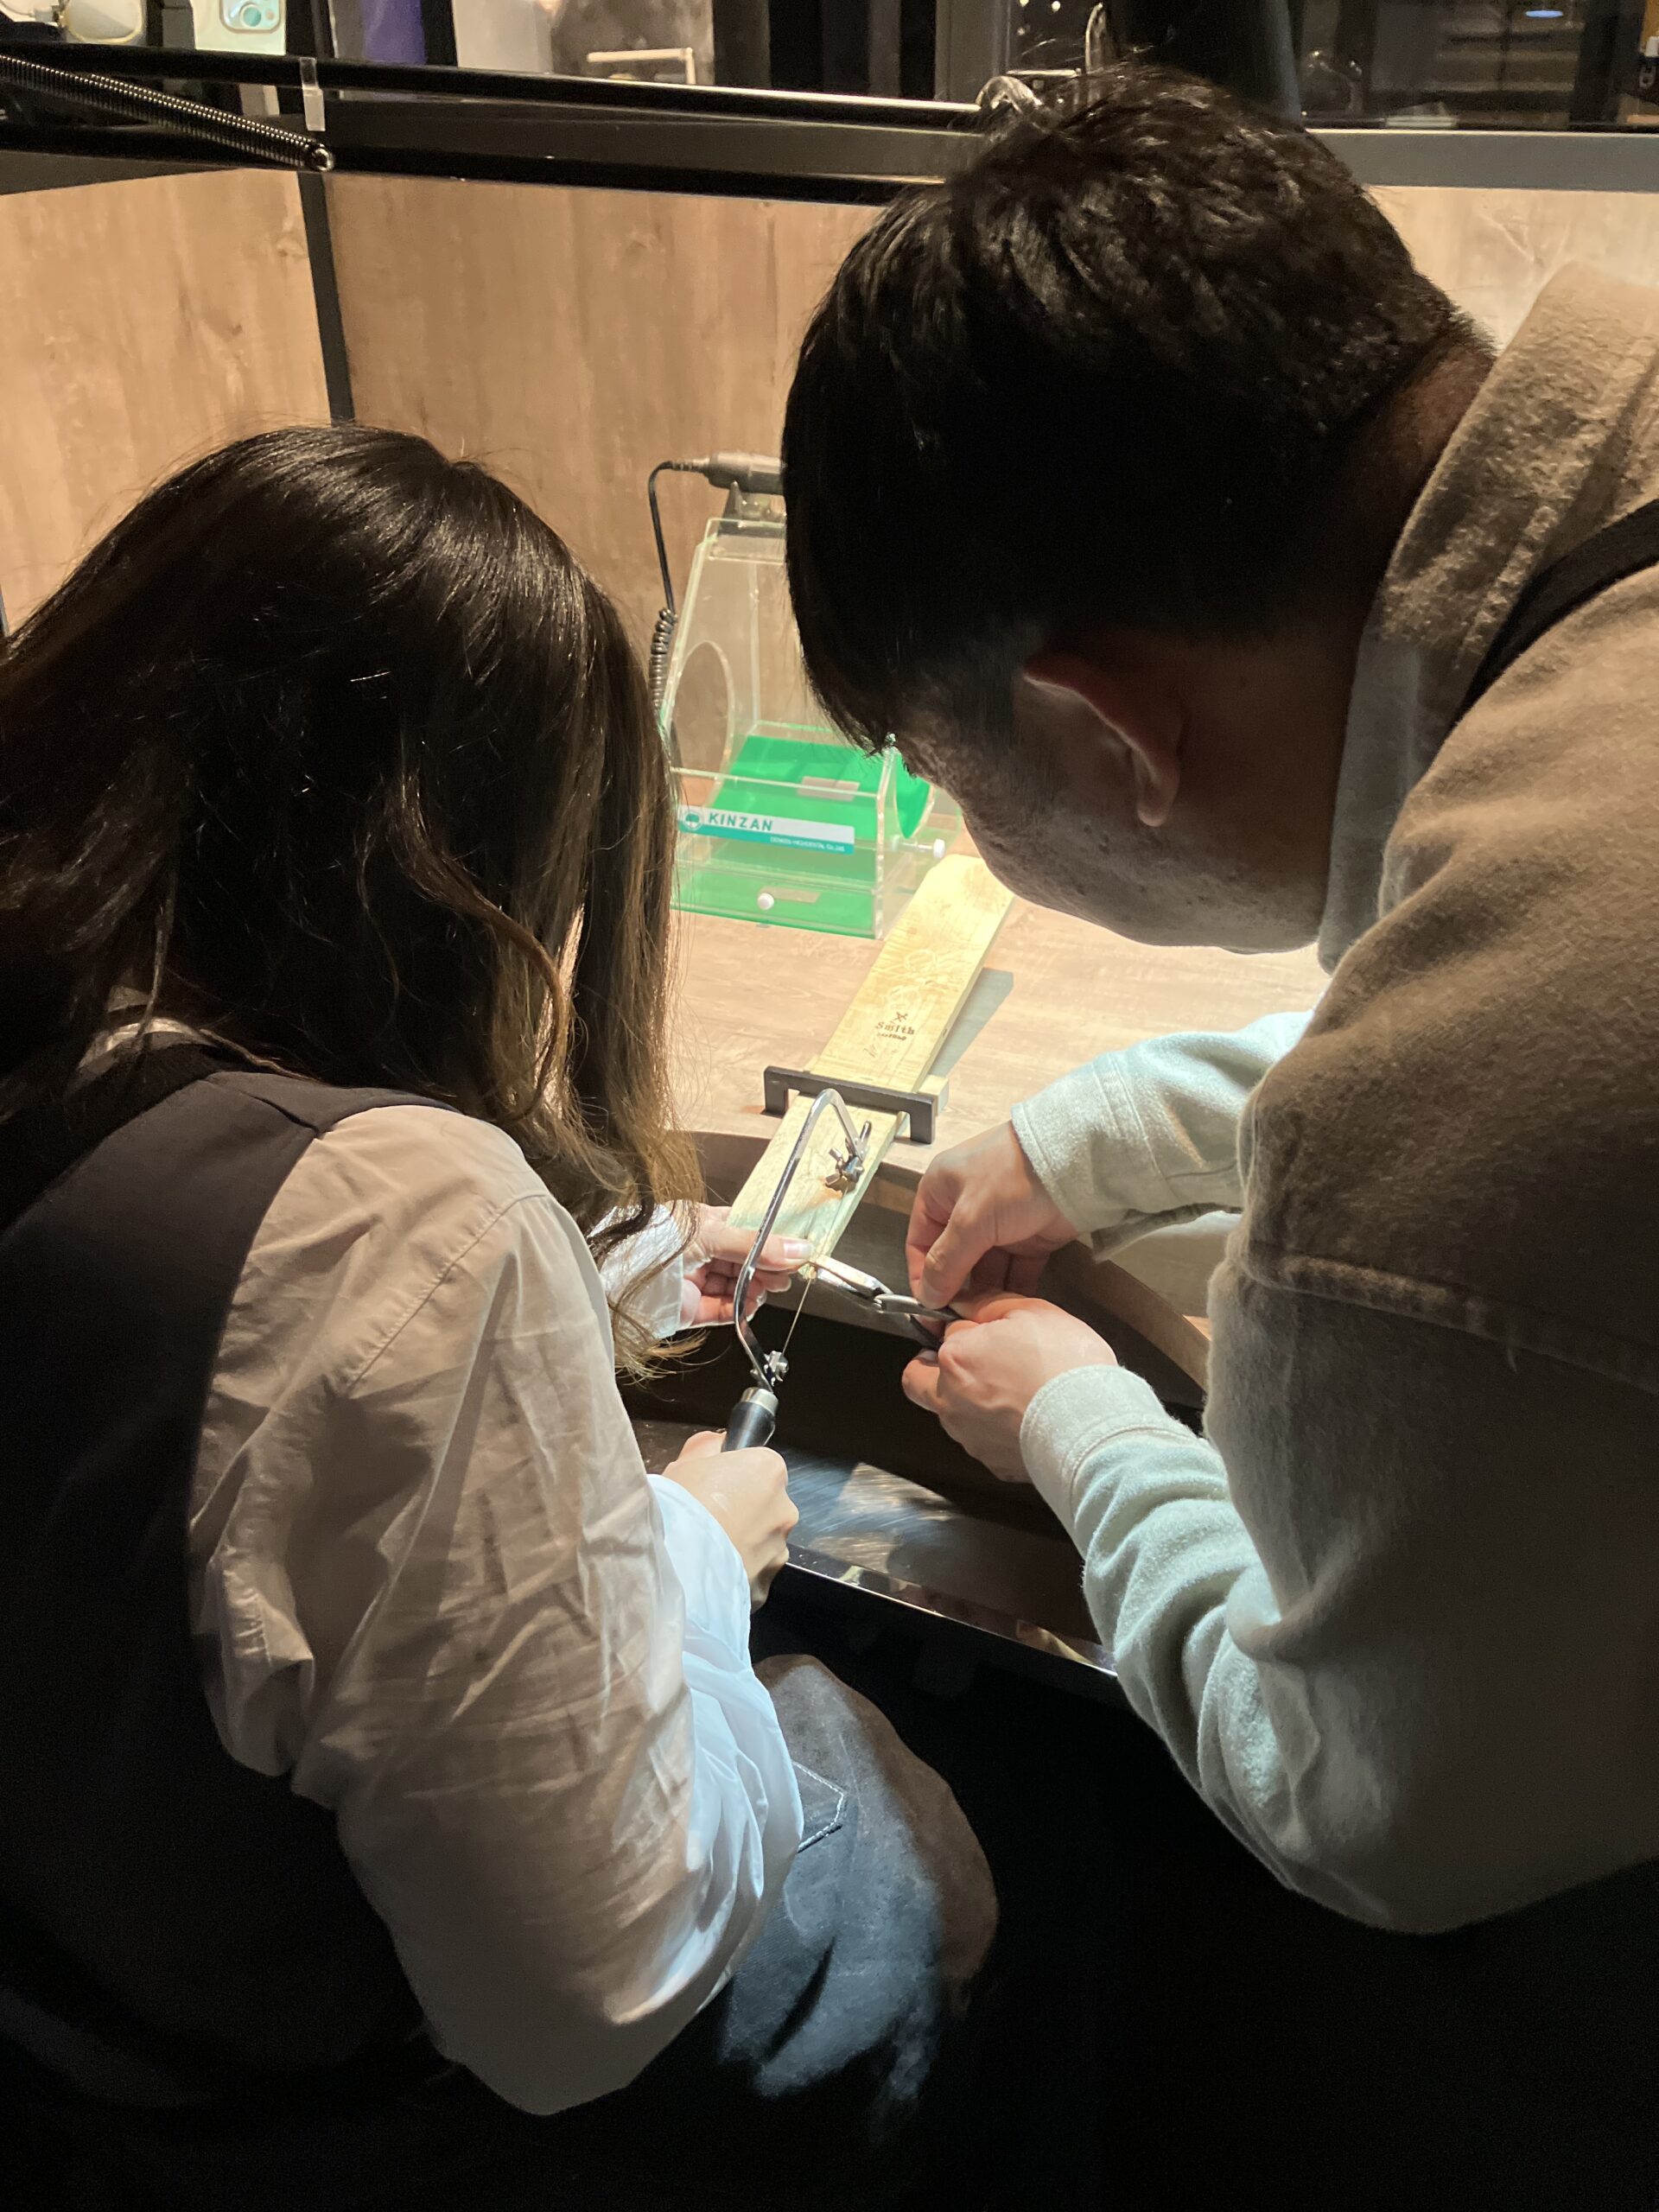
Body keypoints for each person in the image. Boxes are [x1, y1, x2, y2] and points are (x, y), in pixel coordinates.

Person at [782, 64, 1659, 2206]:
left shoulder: (1419, 1185)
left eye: (956, 782)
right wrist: (1100, 1126)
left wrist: (1078, 1418)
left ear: (1105, 726)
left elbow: (1367, 1807)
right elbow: (1515, 964)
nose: (976, 832)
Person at [0, 426, 995, 2212]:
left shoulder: (68, 1057)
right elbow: (590, 1996)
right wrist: (693, 1557)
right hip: (305, 2112)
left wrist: (600, 1269)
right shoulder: (405, 1229)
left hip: (78, 2001)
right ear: (461, 865)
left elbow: (169, 1349)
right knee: (889, 1797)